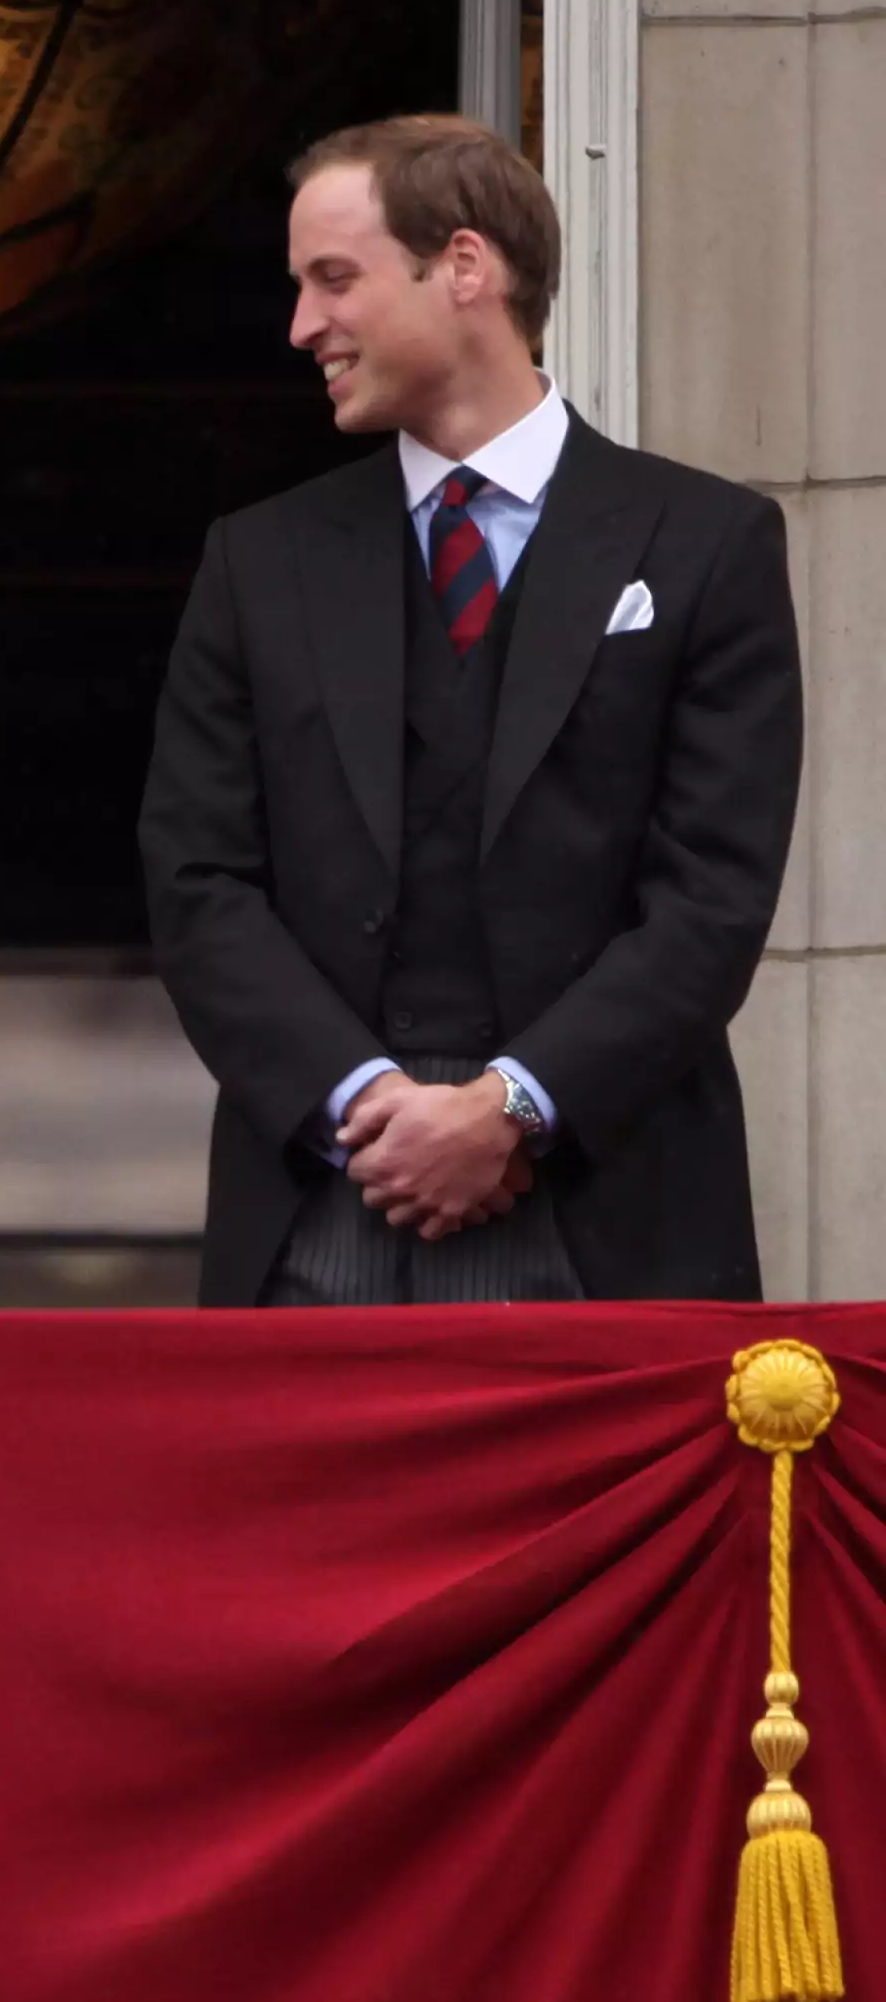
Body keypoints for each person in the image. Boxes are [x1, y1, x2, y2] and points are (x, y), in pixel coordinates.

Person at [139, 115, 802, 1306]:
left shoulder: (707, 545)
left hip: (607, 1211)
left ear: (462, 266)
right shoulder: (257, 560)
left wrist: (510, 1108)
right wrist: (367, 1104)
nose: (301, 327)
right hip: (319, 1196)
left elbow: (713, 894)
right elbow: (196, 881)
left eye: (332, 279)